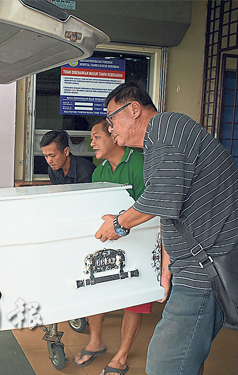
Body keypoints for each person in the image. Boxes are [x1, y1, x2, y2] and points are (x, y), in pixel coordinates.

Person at [95, 81, 238, 375]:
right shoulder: (160, 140)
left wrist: (119, 225)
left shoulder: (166, 129)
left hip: (204, 270)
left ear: (134, 109)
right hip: (198, 263)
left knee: (166, 364)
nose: (110, 129)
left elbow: (161, 198)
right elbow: (175, 211)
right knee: (186, 360)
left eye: (112, 119)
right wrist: (167, 267)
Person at [72, 118, 150, 375]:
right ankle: (95, 341)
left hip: (141, 238)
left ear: (113, 136)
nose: (91, 142)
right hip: (110, 241)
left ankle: (122, 356)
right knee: (95, 286)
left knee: (135, 298)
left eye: (96, 137)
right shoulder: (99, 171)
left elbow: (148, 208)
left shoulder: (140, 163)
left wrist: (122, 223)